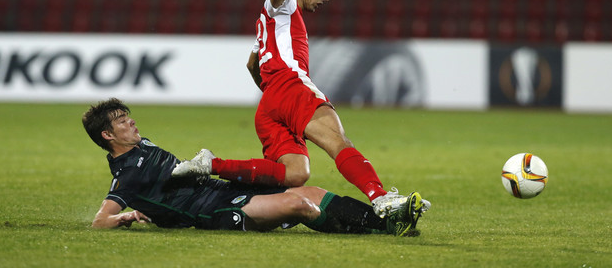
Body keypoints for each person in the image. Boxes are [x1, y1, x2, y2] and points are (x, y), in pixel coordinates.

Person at [173, 0, 430, 218]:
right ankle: (380, 197)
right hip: (289, 86)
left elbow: (251, 64)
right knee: (337, 142)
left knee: (295, 173)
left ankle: (210, 165)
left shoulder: (267, 23)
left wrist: (274, 97)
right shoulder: (286, 4)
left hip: (269, 102)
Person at [83, 98, 426, 236]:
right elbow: (100, 221)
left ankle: (384, 221)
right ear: (107, 134)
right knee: (298, 203)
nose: (132, 123)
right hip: (209, 211)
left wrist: (152, 211)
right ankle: (384, 228)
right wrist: (125, 215)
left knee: (311, 192)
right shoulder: (126, 174)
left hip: (218, 191)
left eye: (129, 117)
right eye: (123, 122)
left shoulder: (141, 144)